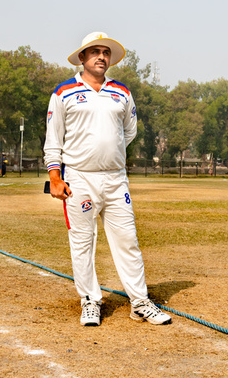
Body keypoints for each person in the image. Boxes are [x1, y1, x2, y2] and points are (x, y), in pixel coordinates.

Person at [43, 32, 171, 327]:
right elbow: (53, 139)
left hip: (115, 180)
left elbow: (129, 132)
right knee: (82, 241)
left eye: (106, 52)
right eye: (95, 52)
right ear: (82, 58)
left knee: (128, 241)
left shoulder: (121, 93)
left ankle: (139, 302)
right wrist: (55, 176)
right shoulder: (63, 92)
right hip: (78, 179)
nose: (102, 56)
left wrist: (107, 153)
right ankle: (90, 300)